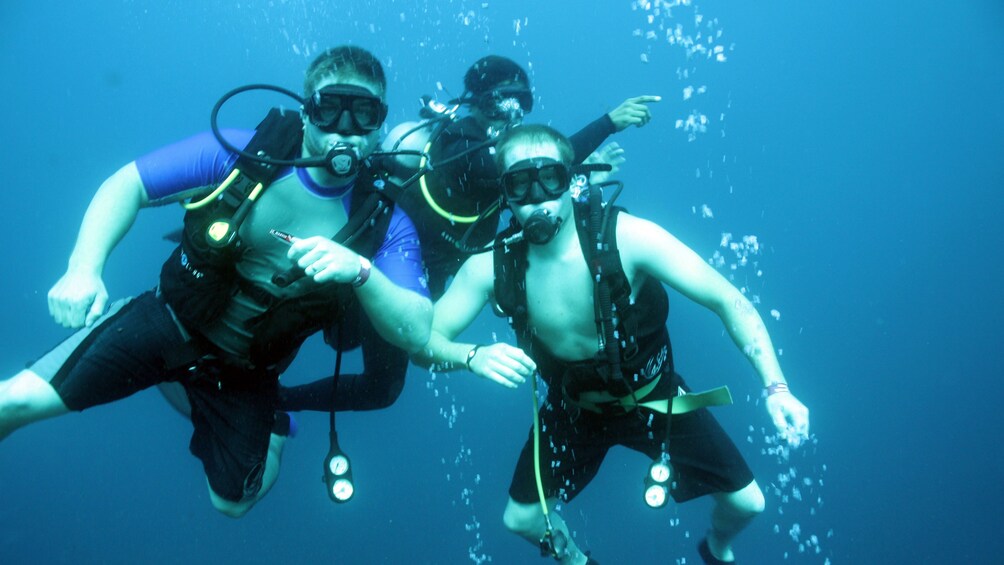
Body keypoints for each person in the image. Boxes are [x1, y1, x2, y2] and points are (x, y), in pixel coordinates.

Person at [0, 46, 431, 517]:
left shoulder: (384, 223)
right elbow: (130, 183)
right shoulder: (241, 154)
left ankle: (272, 430)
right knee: (12, 402)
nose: (343, 129)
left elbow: (415, 329)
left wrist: (361, 272)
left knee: (232, 503)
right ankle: (143, 352)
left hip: (246, 373)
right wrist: (83, 267)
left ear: (381, 124)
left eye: (364, 113)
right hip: (166, 321)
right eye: (330, 109)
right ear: (308, 111)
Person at [419, 125, 810, 564]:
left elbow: (728, 299)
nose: (538, 198)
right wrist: (470, 356)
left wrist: (777, 387)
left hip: (657, 401)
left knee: (747, 503)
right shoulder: (490, 269)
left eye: (550, 178)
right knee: (521, 519)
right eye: (519, 183)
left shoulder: (629, 237)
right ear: (503, 191)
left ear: (572, 178)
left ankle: (717, 547)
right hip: (573, 411)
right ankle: (578, 562)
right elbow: (422, 341)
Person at [279, 55, 658, 413]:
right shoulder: (461, 142)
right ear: (476, 103)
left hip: (425, 283)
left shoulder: (502, 158)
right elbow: (523, 167)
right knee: (353, 353)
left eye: (521, 102)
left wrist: (580, 184)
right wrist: (609, 122)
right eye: (499, 102)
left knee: (379, 384)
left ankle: (277, 404)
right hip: (389, 268)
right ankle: (268, 395)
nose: (512, 113)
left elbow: (534, 199)